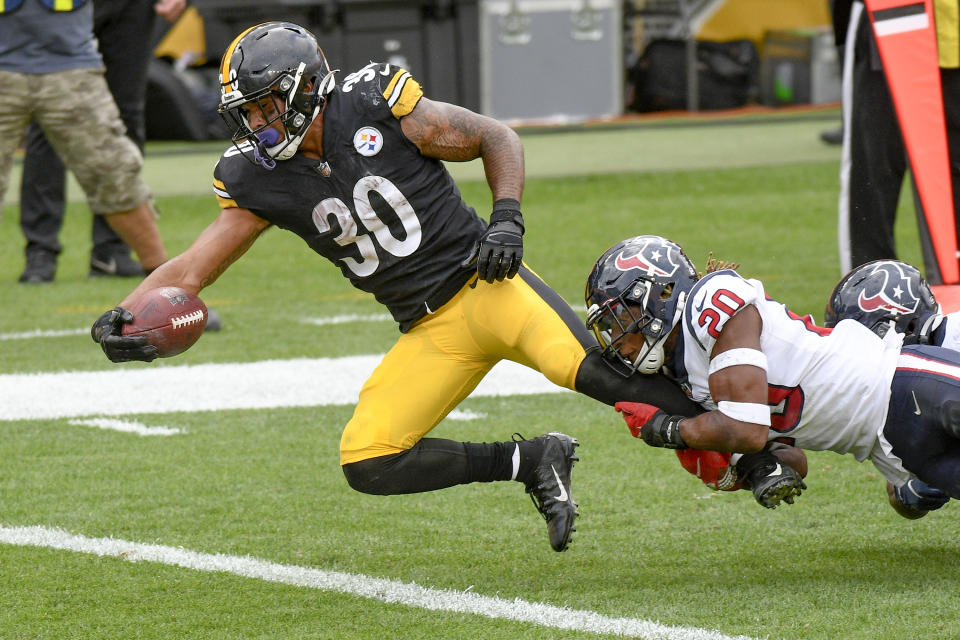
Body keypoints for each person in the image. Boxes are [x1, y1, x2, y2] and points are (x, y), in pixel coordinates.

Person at [89, 22, 701, 552]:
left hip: (489, 288)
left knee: (604, 379)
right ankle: (532, 458)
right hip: (428, 329)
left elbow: (496, 137)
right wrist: (123, 313)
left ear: (303, 90)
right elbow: (193, 269)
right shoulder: (256, 178)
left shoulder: (373, 103)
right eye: (244, 112)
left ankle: (755, 444)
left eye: (262, 106)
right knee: (370, 460)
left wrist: (507, 217)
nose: (253, 124)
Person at [585, 234, 954, 519]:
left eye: (618, 318)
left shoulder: (710, 301)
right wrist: (758, 467)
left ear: (663, 292)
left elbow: (746, 429)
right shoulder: (686, 378)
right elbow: (793, 462)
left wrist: (673, 430)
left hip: (902, 383)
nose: (618, 339)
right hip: (887, 445)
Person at [17, 0, 186, 284]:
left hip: (132, 7)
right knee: (47, 111)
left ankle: (112, 251)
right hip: (60, 6)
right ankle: (40, 251)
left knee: (126, 115)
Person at [835, 0, 960, 282]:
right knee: (873, 177)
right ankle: (868, 299)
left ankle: (953, 300)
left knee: (951, 178)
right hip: (890, 26)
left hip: (949, 37)